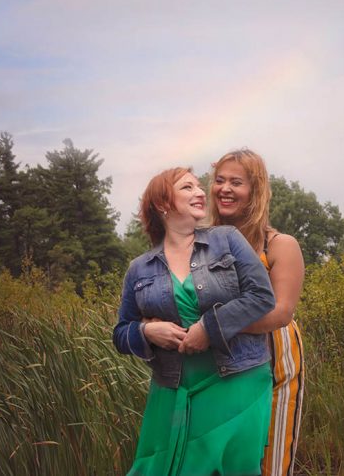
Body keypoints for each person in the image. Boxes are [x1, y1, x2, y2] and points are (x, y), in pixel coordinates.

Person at [113, 167, 276, 476]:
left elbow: (262, 296)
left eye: (200, 187)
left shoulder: (226, 239)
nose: (202, 193)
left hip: (236, 380)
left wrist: (208, 329)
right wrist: (147, 331)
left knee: (228, 468)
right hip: (172, 389)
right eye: (188, 187)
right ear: (163, 203)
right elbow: (121, 333)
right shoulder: (139, 269)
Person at [209, 149, 305, 476]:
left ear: (256, 191)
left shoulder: (279, 245)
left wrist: (215, 328)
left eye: (236, 182)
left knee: (270, 465)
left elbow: (281, 312)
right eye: (219, 180)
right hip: (219, 368)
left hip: (275, 362)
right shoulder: (202, 242)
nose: (225, 188)